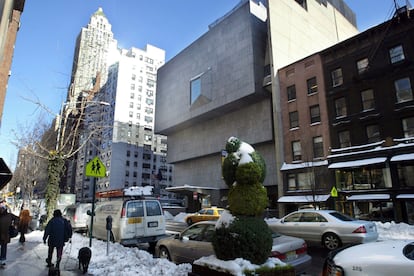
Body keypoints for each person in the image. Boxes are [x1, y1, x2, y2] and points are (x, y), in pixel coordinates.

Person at [0, 201, 18, 267]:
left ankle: (2, 261)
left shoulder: (9, 215)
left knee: (4, 248)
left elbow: (17, 218)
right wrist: (15, 224)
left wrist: (15, 224)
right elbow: (17, 218)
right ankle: (2, 261)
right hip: (5, 235)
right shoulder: (9, 215)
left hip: (5, 234)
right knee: (4, 248)